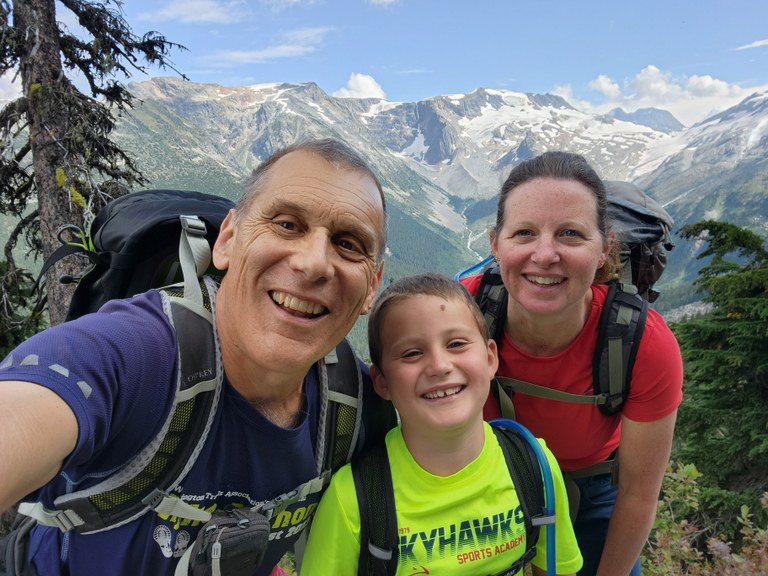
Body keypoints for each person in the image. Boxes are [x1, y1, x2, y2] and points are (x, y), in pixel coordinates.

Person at [0, 139, 396, 575]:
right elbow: (24, 410)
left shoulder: (356, 407)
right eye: (286, 224)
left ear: (371, 287)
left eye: (348, 244)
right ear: (226, 240)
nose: (314, 263)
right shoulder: (135, 354)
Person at [460, 151, 684, 576]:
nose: (545, 255)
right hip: (481, 483)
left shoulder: (643, 344)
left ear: (605, 249)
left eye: (570, 235)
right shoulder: (460, 311)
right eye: (524, 233)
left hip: (592, 497)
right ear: (495, 244)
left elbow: (638, 492)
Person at [301, 273, 583, 576]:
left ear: (490, 358)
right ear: (382, 382)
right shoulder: (354, 499)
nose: (439, 366)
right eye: (412, 353)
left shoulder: (534, 464)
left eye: (457, 344)